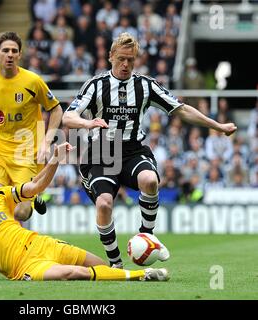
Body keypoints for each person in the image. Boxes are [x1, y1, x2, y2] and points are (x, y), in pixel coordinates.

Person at [62, 33, 237, 268]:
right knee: (104, 204)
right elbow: (68, 116)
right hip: (102, 152)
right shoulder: (96, 85)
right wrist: (87, 123)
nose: (126, 65)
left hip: (133, 149)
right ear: (110, 56)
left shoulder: (145, 85)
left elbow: (181, 109)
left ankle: (147, 236)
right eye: (122, 59)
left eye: (131, 60)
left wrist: (218, 126)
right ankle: (115, 263)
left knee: (150, 180)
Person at [0, 142, 169, 282]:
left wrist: (53, 159)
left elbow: (37, 185)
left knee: (101, 268)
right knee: (73, 274)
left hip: (43, 243)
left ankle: (125, 274)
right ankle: (142, 276)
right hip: (24, 266)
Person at [0, 31, 63, 222]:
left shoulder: (32, 81)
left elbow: (56, 110)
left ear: (19, 55)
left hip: (26, 152)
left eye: (14, 51)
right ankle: (9, 248)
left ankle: (32, 201)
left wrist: (46, 142)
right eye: (5, 50)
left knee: (20, 213)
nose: (9, 54)